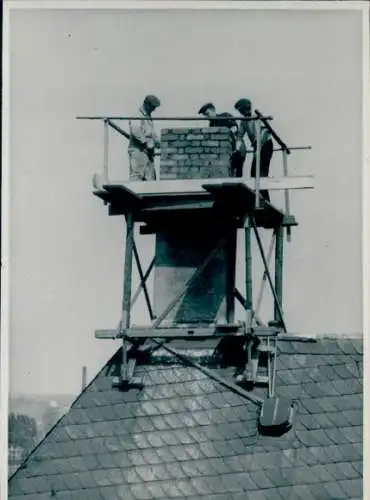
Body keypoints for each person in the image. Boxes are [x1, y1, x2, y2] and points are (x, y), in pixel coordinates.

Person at [234, 98, 273, 202]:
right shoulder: (243, 121)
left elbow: (264, 134)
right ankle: (262, 199)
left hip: (265, 145)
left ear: (248, 108)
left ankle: (265, 200)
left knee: (260, 173)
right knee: (254, 173)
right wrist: (237, 149)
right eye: (241, 112)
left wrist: (258, 148)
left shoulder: (257, 117)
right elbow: (239, 136)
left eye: (245, 110)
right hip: (258, 148)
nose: (244, 113)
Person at [198, 102, 246, 177]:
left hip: (238, 148)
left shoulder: (224, 116)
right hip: (227, 153)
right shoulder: (211, 124)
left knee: (237, 175)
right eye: (205, 115)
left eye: (207, 114)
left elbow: (235, 129)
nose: (207, 117)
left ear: (213, 110)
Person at [128, 95, 161, 181]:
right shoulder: (138, 115)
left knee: (150, 178)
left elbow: (151, 132)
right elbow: (135, 130)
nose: (154, 109)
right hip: (138, 151)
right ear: (146, 104)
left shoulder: (148, 117)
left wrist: (157, 141)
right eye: (153, 107)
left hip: (148, 152)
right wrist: (146, 142)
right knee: (137, 176)